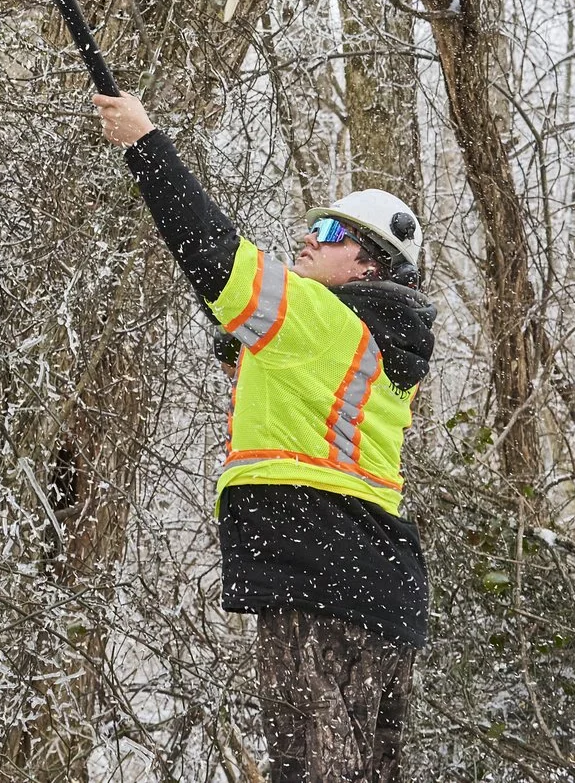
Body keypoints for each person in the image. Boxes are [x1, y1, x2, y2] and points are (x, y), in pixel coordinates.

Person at [92, 90, 434, 783]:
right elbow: (240, 324)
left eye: (333, 235)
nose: (310, 238)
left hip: (317, 568)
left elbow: (214, 253)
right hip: (380, 588)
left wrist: (145, 142)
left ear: (369, 267)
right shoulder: (375, 341)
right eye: (313, 226)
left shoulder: (325, 321)